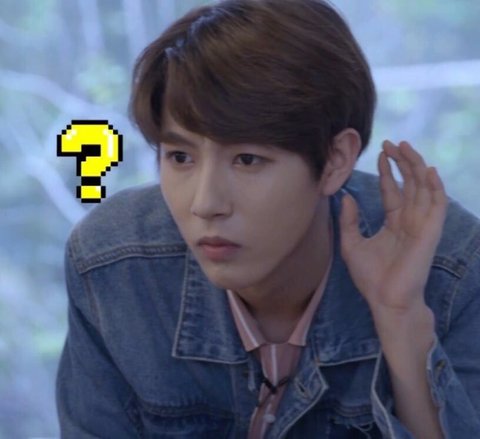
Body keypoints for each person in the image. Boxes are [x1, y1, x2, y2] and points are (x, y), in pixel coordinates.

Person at [55, 0, 480, 437]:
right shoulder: (115, 264)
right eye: (180, 157)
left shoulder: (447, 263)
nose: (206, 203)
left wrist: (402, 318)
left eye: (247, 159)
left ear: (335, 160)